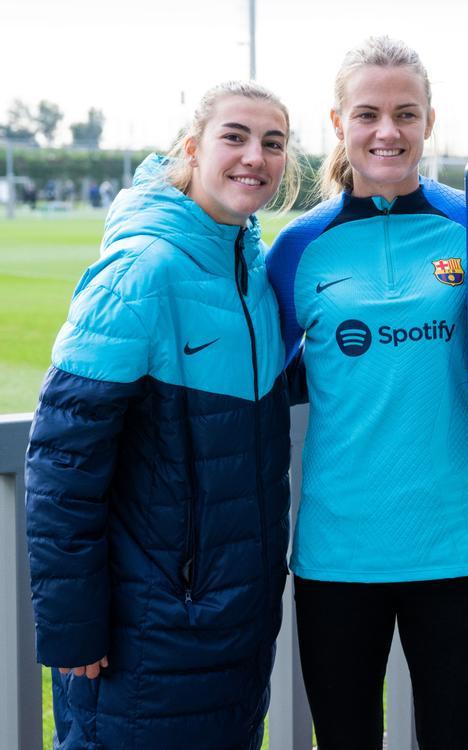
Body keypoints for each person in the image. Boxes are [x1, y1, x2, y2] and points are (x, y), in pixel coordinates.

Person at [25, 80, 300, 749]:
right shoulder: (140, 269)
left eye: (272, 143)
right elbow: (61, 464)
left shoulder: (252, 273)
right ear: (192, 147)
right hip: (144, 633)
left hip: (236, 627)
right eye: (234, 136)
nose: (254, 157)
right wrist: (71, 626)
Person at [265, 37, 468, 750]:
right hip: (339, 553)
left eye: (406, 113)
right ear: (338, 123)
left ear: (430, 120)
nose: (388, 132)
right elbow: (252, 379)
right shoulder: (298, 249)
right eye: (368, 114)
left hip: (454, 547)